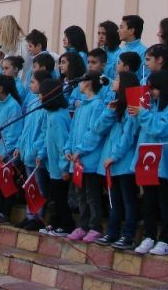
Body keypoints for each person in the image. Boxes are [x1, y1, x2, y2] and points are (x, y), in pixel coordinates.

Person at [131, 71, 168, 256]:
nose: (151, 92)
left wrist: (143, 115)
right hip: (146, 158)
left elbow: (160, 129)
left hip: (161, 159)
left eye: (154, 88)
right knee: (148, 199)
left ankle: (165, 239)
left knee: (163, 199)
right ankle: (149, 235)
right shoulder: (149, 106)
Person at [96, 71, 140, 250]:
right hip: (112, 163)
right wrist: (109, 111)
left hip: (124, 163)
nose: (114, 81)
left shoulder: (132, 110)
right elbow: (99, 128)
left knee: (128, 201)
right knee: (113, 200)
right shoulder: (116, 107)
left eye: (118, 79)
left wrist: (114, 157)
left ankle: (128, 235)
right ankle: (112, 232)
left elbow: (127, 138)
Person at [64, 72, 106, 243]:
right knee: (80, 195)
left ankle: (95, 226)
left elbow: (94, 133)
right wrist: (68, 148)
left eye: (81, 81)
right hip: (77, 160)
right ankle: (83, 225)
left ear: (88, 83)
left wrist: (80, 150)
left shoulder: (97, 105)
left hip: (89, 160)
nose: (79, 84)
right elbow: (73, 130)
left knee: (92, 195)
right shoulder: (81, 106)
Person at [37, 77, 74, 236]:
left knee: (60, 198)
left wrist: (64, 167)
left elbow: (62, 144)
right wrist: (42, 154)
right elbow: (48, 139)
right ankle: (55, 223)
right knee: (54, 197)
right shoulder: (50, 114)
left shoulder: (58, 117)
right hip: (52, 166)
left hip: (60, 167)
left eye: (41, 93)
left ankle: (67, 226)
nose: (39, 96)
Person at [14, 70, 50, 229]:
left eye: (33, 82)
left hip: (36, 154)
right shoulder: (32, 101)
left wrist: (38, 150)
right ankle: (30, 215)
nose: (30, 85)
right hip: (26, 151)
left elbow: (44, 132)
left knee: (39, 187)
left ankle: (39, 218)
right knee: (30, 186)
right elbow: (26, 128)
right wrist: (19, 146)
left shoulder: (46, 105)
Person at [0, 74, 23, 223]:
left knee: (7, 184)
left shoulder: (13, 106)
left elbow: (13, 132)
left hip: (8, 153)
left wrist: (3, 152)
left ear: (0, 88)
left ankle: (5, 213)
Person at [0, 15, 30, 87]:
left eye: (0, 28)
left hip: (23, 88)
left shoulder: (24, 45)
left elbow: (24, 71)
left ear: (6, 29)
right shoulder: (8, 47)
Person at [119, 15, 147, 80]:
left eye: (121, 27)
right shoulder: (122, 49)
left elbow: (144, 77)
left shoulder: (144, 52)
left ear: (131, 31)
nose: (118, 31)